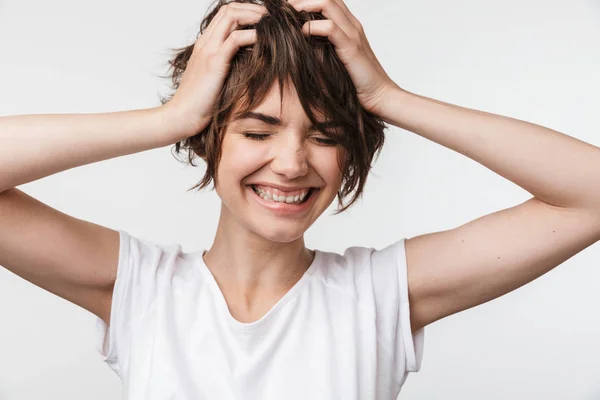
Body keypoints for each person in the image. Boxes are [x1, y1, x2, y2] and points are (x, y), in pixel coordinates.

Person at [0, 0, 599, 398]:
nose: (290, 164)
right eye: (257, 132)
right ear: (209, 140)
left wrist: (389, 97)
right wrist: (173, 116)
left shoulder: (381, 294)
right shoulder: (140, 290)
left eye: (325, 136)